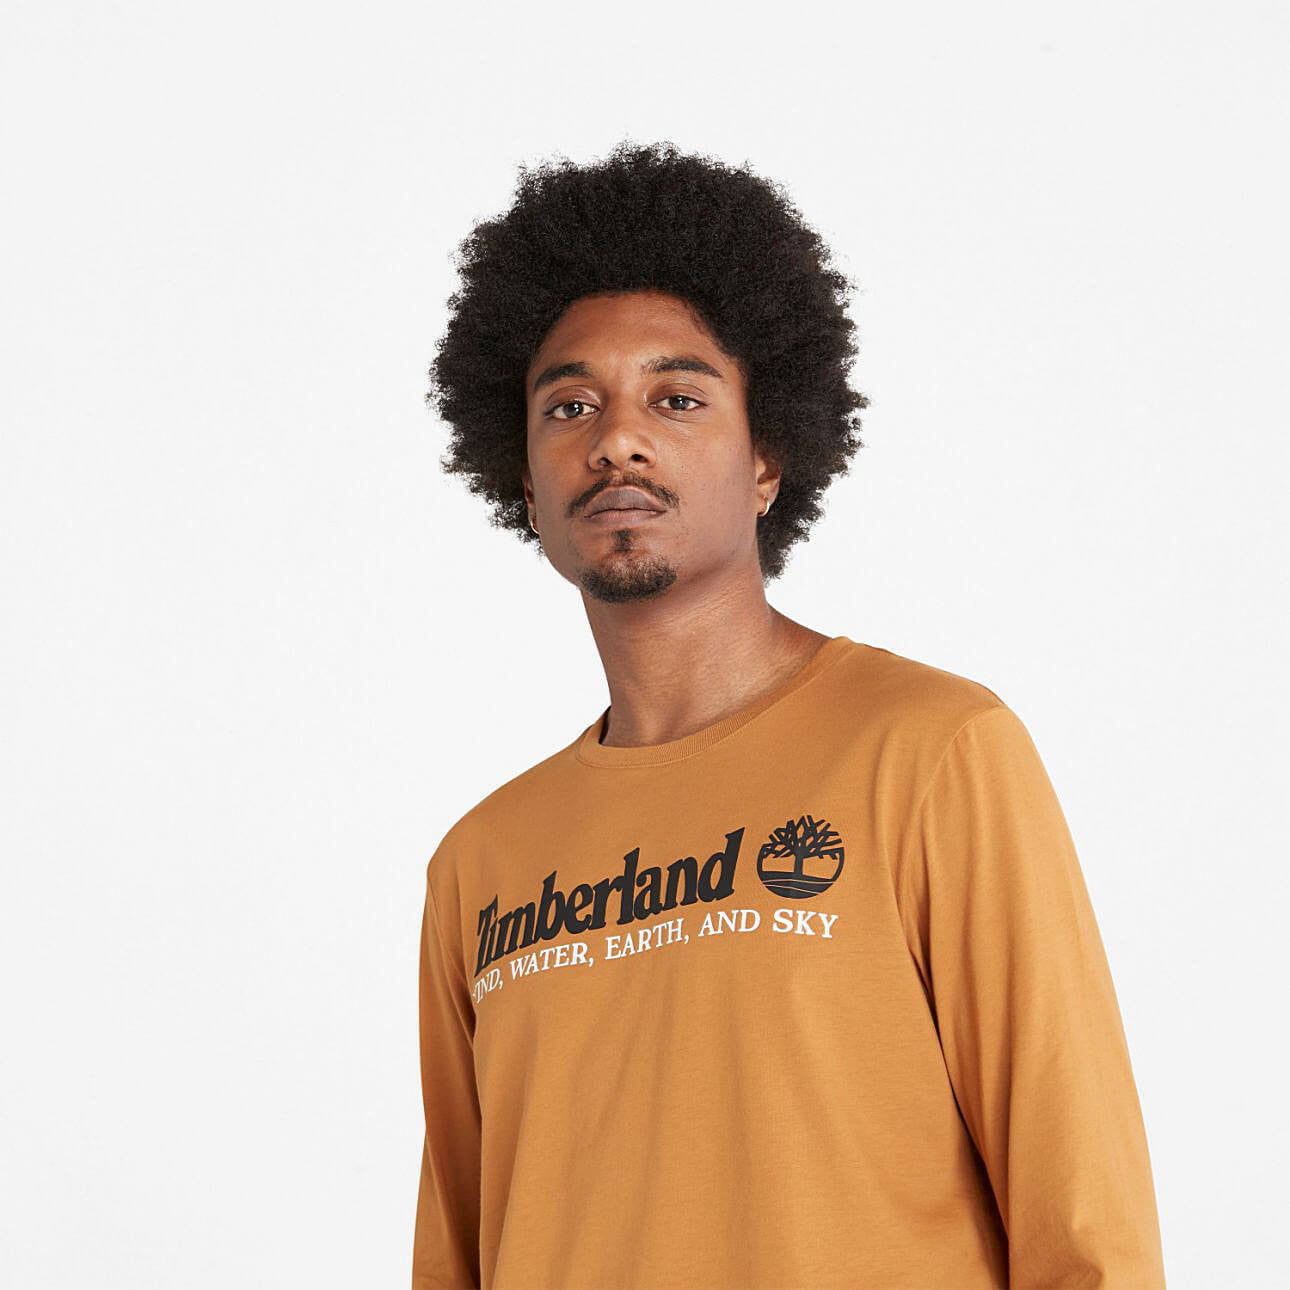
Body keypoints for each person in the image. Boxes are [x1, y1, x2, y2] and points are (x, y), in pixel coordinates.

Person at [412, 140, 1166, 1290]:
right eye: (570, 405)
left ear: (767, 459)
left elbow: (1086, 1227)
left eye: (676, 398)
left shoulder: (932, 753)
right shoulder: (482, 863)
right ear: (523, 478)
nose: (617, 439)